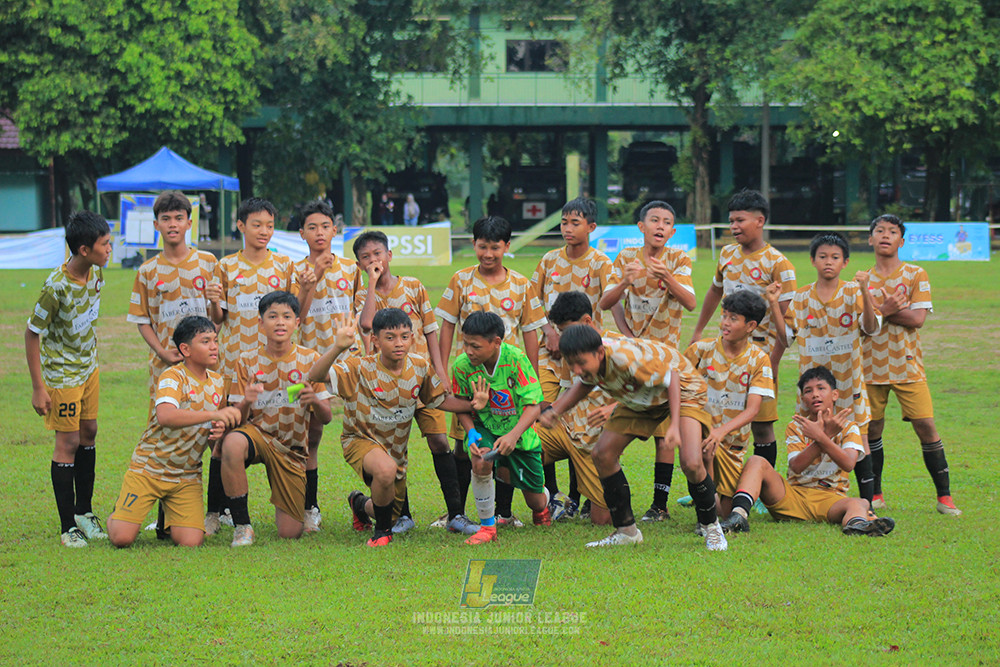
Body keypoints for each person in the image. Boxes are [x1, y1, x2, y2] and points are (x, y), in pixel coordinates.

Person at [308, 308, 489, 547]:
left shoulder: (420, 367)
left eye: (404, 336)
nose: (398, 343)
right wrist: (338, 348)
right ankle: (382, 534)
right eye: (390, 337)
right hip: (359, 440)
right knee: (385, 471)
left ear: (412, 338)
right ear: (375, 340)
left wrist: (473, 404)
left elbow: (439, 400)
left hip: (395, 453)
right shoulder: (358, 368)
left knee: (388, 507)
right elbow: (315, 374)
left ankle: (359, 504)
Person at [540, 325, 726, 550]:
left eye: (580, 363)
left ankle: (712, 527)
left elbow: (673, 379)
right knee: (603, 454)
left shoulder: (626, 358)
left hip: (683, 389)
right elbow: (584, 385)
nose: (576, 370)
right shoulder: (592, 363)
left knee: (691, 462)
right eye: (571, 365)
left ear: (599, 353)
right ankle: (626, 531)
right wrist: (556, 411)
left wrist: (675, 425)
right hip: (641, 396)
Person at [352, 231, 477, 535]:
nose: (374, 261)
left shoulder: (413, 286)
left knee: (439, 441)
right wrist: (371, 283)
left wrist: (440, 370)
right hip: (387, 385)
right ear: (358, 264)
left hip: (421, 379)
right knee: (393, 450)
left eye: (377, 254)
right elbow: (367, 325)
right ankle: (402, 515)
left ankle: (456, 514)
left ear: (390, 255)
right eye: (366, 258)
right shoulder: (362, 294)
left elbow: (432, 331)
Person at [435, 215, 547, 527]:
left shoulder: (522, 285)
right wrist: (443, 372)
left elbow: (531, 333)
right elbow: (446, 326)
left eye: (494, 248)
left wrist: (532, 378)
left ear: (506, 247)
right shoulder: (461, 280)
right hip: (470, 378)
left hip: (509, 378)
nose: (487, 254)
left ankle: (504, 513)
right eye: (482, 247)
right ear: (473, 244)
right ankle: (457, 512)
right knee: (465, 443)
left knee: (505, 443)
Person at [599, 200, 696, 522]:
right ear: (641, 227)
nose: (660, 226)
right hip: (632, 357)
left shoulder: (679, 259)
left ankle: (660, 505)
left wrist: (668, 278)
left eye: (666, 222)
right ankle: (596, 498)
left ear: (673, 231)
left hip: (666, 357)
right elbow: (606, 302)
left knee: (665, 435)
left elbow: (691, 302)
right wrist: (626, 282)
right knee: (615, 425)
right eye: (654, 220)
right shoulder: (626, 258)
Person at [106, 317, 240, 547]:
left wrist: (219, 434)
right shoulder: (172, 376)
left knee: (191, 542)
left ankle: (166, 517)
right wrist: (213, 416)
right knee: (122, 538)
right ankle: (119, 513)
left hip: (185, 475)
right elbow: (166, 416)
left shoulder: (218, 382)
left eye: (215, 341)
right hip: (150, 468)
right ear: (185, 349)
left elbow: (211, 440)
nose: (213, 347)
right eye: (205, 341)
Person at [690, 189, 797, 475]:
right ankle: (708, 480)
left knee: (762, 426)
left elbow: (786, 320)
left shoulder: (779, 263)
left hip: (760, 356)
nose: (733, 227)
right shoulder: (726, 254)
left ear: (759, 221)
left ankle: (762, 487)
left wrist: (773, 361)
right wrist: (699, 330)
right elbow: (714, 290)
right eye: (731, 221)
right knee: (715, 417)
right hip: (724, 355)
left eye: (740, 220)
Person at [206, 198, 296, 533]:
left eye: (270, 225)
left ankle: (299, 502)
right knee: (225, 434)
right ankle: (215, 512)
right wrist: (214, 300)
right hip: (233, 366)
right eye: (257, 224)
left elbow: (292, 311)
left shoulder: (284, 266)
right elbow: (218, 318)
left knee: (277, 428)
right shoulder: (226, 267)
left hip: (273, 368)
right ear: (241, 225)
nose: (264, 232)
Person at [719, 366, 896, 537]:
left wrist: (821, 437)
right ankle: (738, 516)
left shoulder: (849, 427)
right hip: (793, 497)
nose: (815, 394)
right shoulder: (797, 426)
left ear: (835, 395)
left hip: (831, 500)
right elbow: (796, 466)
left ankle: (857, 525)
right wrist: (824, 436)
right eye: (808, 391)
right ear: (803, 399)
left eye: (821, 388)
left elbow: (849, 464)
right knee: (757, 461)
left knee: (861, 502)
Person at [218, 291, 333, 547]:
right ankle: (242, 526)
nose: (280, 322)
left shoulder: (311, 359)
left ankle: (297, 508)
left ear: (297, 323)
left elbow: (327, 418)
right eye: (272, 316)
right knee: (232, 443)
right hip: (256, 435)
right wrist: (246, 400)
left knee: (289, 532)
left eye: (286, 316)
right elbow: (236, 419)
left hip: (290, 449)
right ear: (260, 323)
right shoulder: (246, 360)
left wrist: (314, 400)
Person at [863, 214, 960, 515]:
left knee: (925, 425)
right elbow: (862, 326)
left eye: (892, 232)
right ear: (870, 239)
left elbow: (917, 320)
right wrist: (889, 309)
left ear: (901, 241)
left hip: (907, 364)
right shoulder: (861, 280)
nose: (885, 235)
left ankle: (944, 498)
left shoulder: (916, 274)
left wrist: (880, 309)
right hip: (869, 365)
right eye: (879, 231)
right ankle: (875, 495)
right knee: (872, 429)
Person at [25, 210, 111, 547]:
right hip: (62, 374)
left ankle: (84, 512)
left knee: (90, 431)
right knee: (68, 442)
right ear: (84, 249)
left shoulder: (98, 273)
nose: (110, 250)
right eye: (105, 244)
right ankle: (67, 527)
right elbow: (32, 333)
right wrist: (38, 387)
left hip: (89, 366)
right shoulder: (55, 286)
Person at [775, 232, 880, 504]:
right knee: (811, 434)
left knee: (861, 440)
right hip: (814, 388)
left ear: (845, 262)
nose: (828, 262)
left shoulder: (854, 291)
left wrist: (866, 292)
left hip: (849, 383)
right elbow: (786, 338)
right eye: (822, 256)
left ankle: (867, 502)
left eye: (835, 257)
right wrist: (774, 304)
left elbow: (870, 327)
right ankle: (809, 494)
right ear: (812, 260)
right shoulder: (800, 297)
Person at [530, 197, 617, 520]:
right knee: (541, 413)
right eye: (564, 222)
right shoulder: (549, 260)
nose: (567, 228)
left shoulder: (601, 264)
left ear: (591, 227)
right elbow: (533, 301)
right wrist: (550, 331)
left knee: (580, 424)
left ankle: (579, 498)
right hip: (550, 356)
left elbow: (608, 303)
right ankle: (551, 495)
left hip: (583, 358)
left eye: (575, 223)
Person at [290, 199, 364, 533]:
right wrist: (313, 278)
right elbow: (295, 319)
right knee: (311, 436)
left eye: (325, 226)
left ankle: (384, 502)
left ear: (336, 230)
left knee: (371, 427)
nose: (319, 233)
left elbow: (364, 314)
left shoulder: (351, 268)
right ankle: (310, 507)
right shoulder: (294, 270)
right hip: (310, 363)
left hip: (350, 361)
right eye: (311, 227)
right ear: (301, 233)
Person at [453, 313, 552, 545]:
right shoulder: (461, 366)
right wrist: (471, 433)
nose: (468, 350)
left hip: (520, 431)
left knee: (535, 501)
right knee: (480, 460)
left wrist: (513, 435)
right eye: (465, 343)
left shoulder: (515, 359)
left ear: (497, 342)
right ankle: (487, 527)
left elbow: (534, 406)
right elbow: (460, 405)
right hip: (485, 427)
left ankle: (543, 507)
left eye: (475, 346)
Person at [684, 290, 775, 520]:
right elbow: (677, 382)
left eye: (733, 318)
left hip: (733, 446)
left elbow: (753, 409)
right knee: (701, 466)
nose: (725, 322)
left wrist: (721, 432)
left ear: (751, 325)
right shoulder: (701, 350)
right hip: (702, 437)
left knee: (723, 514)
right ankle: (703, 501)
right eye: (724, 315)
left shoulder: (759, 359)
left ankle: (711, 503)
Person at [536, 291, 622, 526]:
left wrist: (613, 408)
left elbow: (649, 391)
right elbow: (574, 390)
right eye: (560, 331)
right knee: (517, 451)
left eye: (566, 330)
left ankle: (609, 495)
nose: (562, 337)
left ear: (586, 322)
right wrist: (551, 410)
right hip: (565, 430)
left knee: (602, 520)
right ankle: (540, 505)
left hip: (595, 443)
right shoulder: (571, 350)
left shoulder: (618, 348)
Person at [128, 191, 220, 408]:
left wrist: (206, 345)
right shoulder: (147, 271)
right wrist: (162, 352)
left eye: (178, 218)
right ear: (156, 224)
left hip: (206, 361)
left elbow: (219, 314)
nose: (172, 225)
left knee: (212, 423)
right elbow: (142, 319)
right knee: (166, 420)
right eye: (166, 219)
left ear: (189, 223)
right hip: (166, 361)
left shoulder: (208, 262)